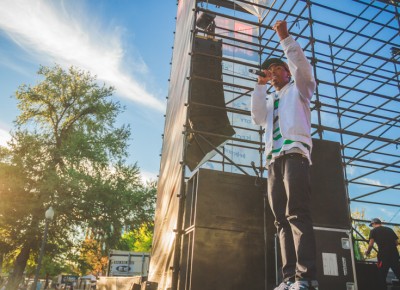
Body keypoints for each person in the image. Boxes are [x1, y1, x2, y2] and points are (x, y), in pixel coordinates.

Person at [251, 20, 318, 290]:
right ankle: (289, 277)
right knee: (280, 220)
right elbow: (257, 117)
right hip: (274, 162)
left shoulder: (299, 90)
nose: (273, 73)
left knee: (296, 213)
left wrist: (285, 39)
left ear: (287, 73)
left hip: (295, 155)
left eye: (278, 69)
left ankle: (306, 277)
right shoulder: (270, 100)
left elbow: (303, 68)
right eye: (270, 71)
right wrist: (259, 84)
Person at [365, 218, 400, 290]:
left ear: (374, 223)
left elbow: (371, 244)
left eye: (372, 225)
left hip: (383, 256)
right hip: (395, 254)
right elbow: (396, 243)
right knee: (398, 272)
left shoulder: (373, 231)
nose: (372, 226)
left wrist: (368, 252)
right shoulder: (389, 229)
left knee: (381, 276)